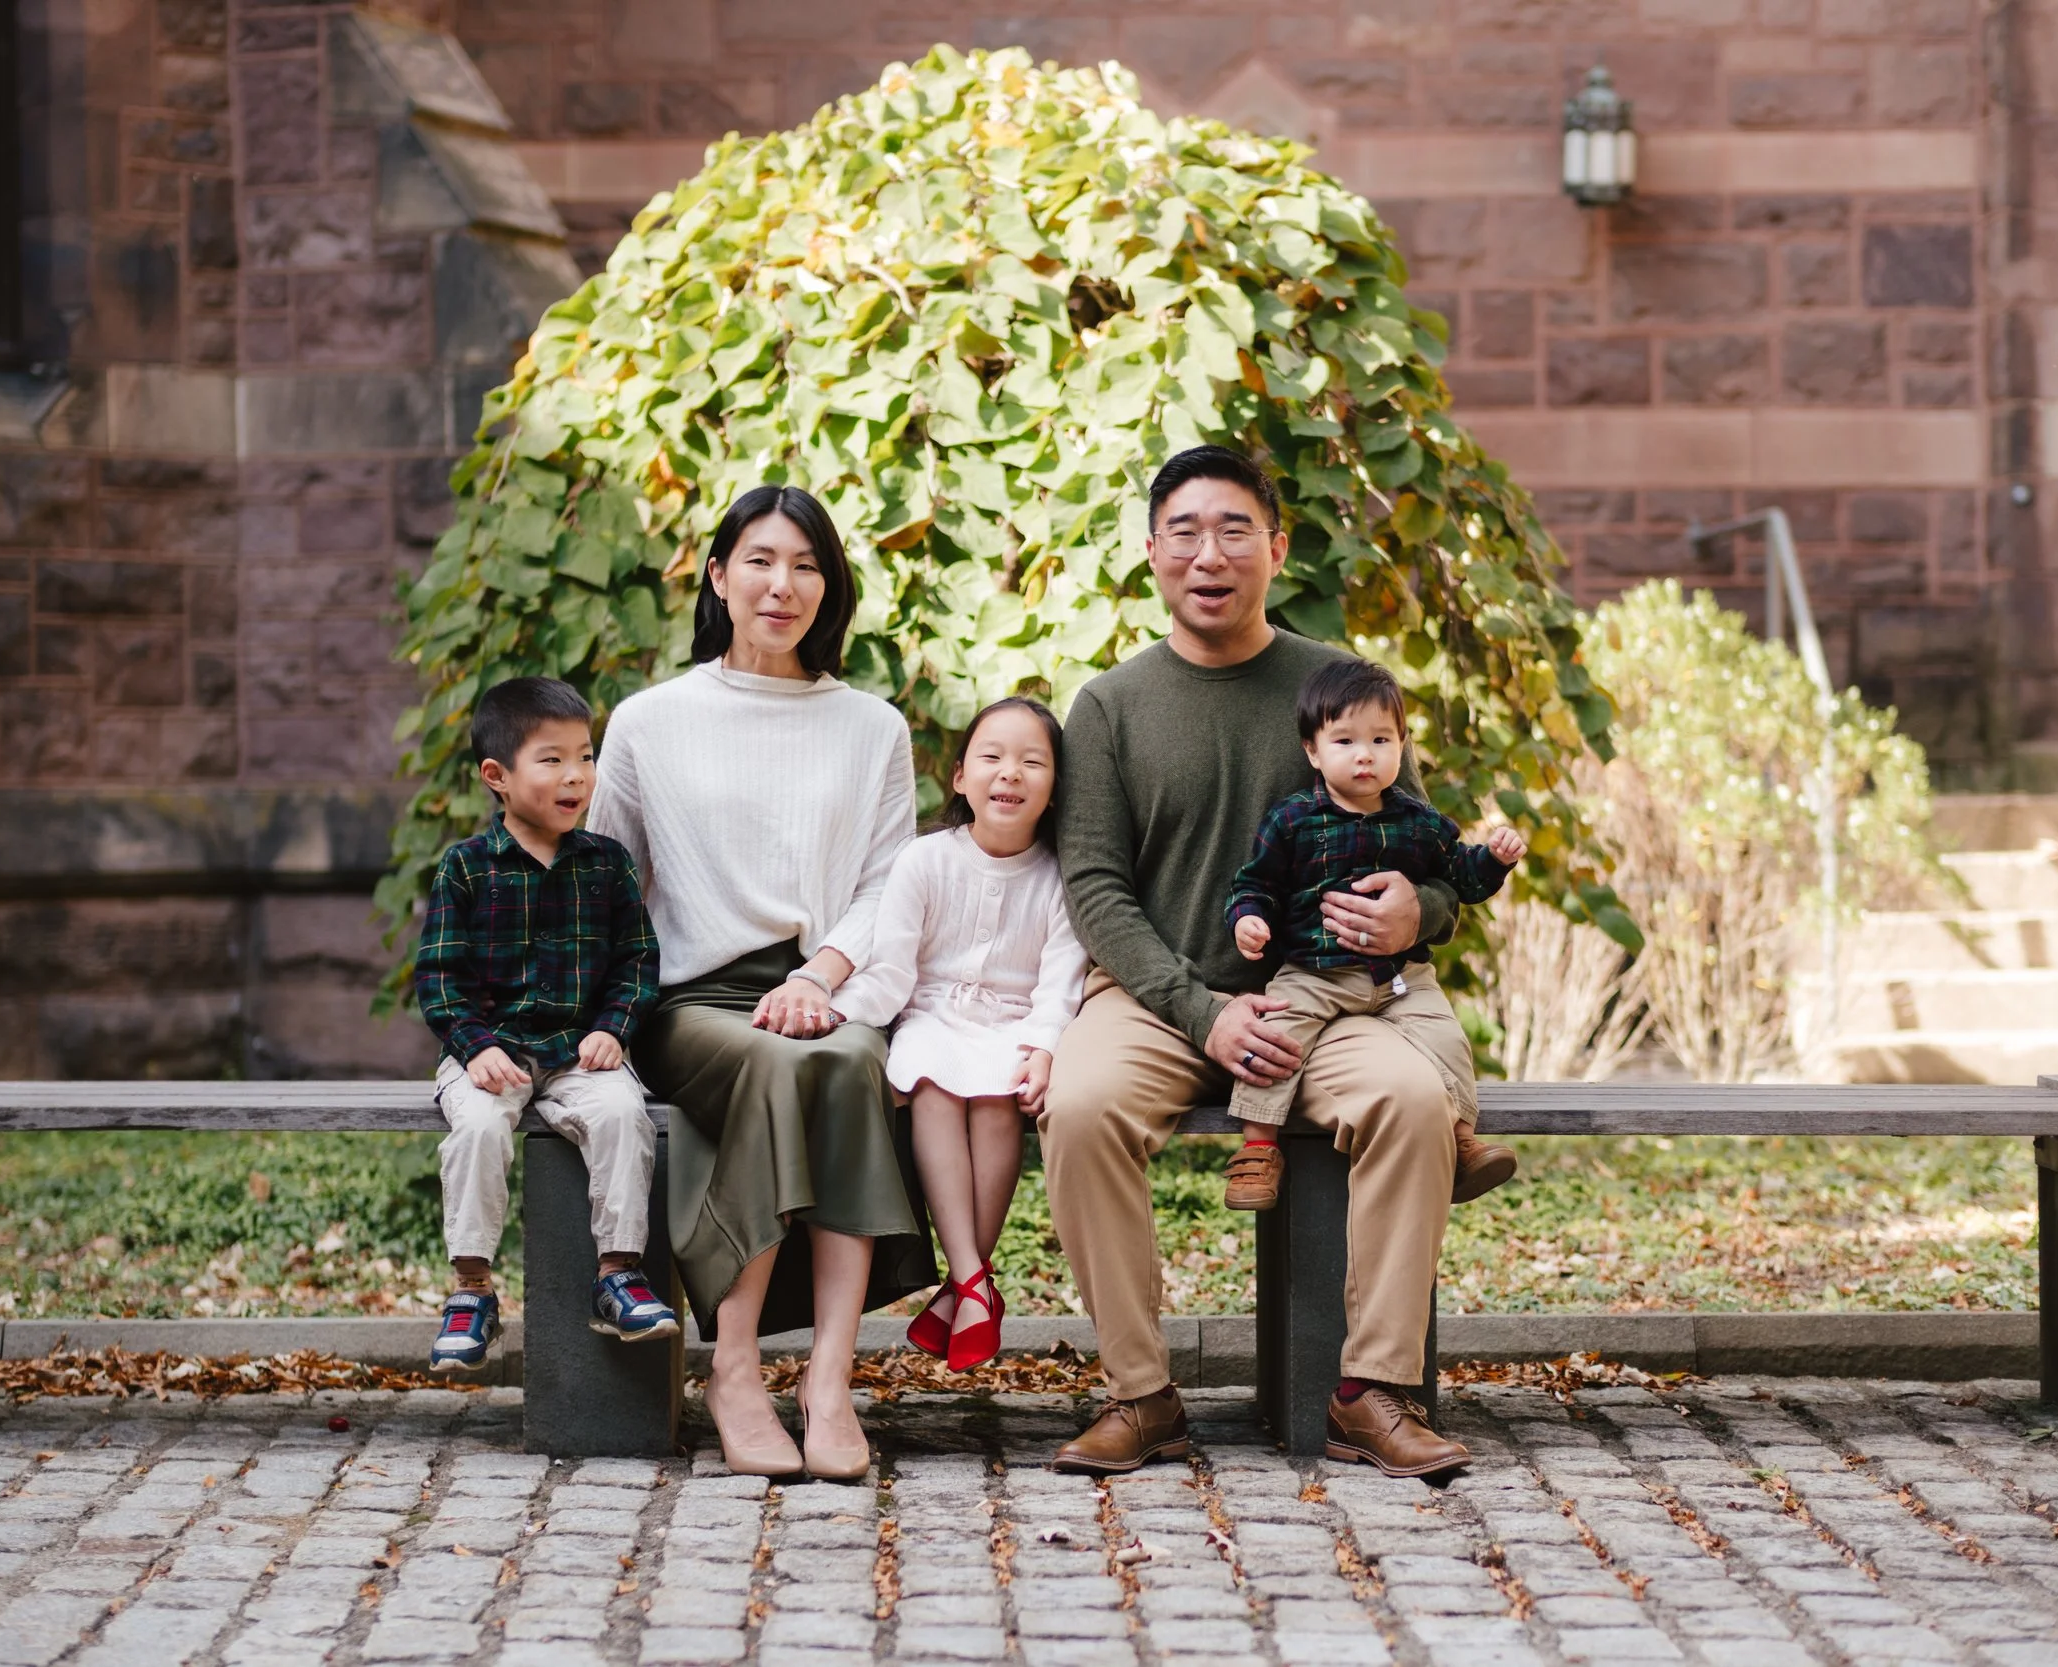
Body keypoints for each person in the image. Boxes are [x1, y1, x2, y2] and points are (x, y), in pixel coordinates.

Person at [1042, 443, 1499, 1481]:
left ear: (1276, 547)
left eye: (1235, 529)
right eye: (1187, 531)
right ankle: (1141, 1391)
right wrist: (1200, 1011)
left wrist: (1412, 913)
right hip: (1160, 1001)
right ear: (1152, 550)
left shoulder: (1341, 688)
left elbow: (1433, 861)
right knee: (1079, 1106)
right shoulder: (1110, 706)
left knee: (1413, 1098)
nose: (1210, 553)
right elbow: (1095, 887)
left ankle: (1369, 1389)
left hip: (1333, 1006)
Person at [592, 484, 932, 1481]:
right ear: (718, 576)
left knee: (842, 1060)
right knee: (783, 1067)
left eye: (806, 565)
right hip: (690, 996)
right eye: (760, 560)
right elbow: (610, 882)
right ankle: (733, 1366)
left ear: (829, 588)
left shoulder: (870, 726)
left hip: (830, 985)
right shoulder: (650, 721)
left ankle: (828, 1379)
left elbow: (887, 884)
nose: (782, 584)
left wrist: (823, 976)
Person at [412, 675, 674, 1374]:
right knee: (476, 1127)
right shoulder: (467, 868)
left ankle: (618, 1273)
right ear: (497, 776)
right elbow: (440, 977)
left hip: (577, 1053)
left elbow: (638, 961)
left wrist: (615, 1026)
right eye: (552, 759)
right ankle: (472, 1290)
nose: (576, 776)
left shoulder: (606, 865)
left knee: (623, 1114)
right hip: (489, 1054)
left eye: (585, 757)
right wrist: (475, 1045)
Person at [832, 697, 1086, 1373]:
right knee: (936, 1082)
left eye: (1034, 761)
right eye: (993, 756)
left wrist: (1043, 1047)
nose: (1011, 772)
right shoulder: (924, 860)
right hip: (931, 1014)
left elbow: (1059, 982)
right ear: (960, 776)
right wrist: (838, 1011)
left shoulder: (1061, 877)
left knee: (999, 1094)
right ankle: (976, 1279)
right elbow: (891, 968)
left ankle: (964, 1285)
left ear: (1056, 784)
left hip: (1014, 1023)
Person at [1222, 656, 1531, 1208]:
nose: (1365, 754)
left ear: (1403, 746)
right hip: (1314, 974)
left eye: (1381, 740)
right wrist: (1250, 918)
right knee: (1275, 1039)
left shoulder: (1419, 822)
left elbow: (1458, 877)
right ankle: (1258, 1148)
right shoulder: (1292, 821)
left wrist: (1493, 861)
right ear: (1313, 751)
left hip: (1399, 977)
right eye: (1345, 741)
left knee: (1444, 1035)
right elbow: (1257, 883)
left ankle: (1460, 1139)